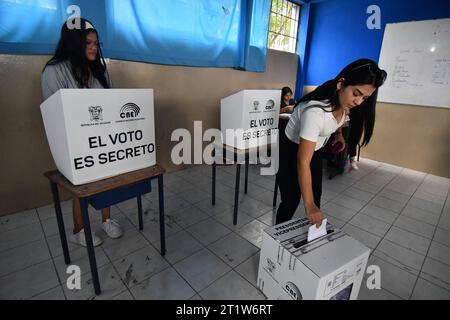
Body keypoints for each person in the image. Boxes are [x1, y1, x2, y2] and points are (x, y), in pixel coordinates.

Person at [275, 59, 387, 227]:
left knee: (316, 196)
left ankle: (311, 240)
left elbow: (337, 119)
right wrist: (309, 205)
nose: (358, 101)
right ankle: (275, 240)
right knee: (292, 201)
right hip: (292, 149)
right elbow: (302, 161)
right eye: (356, 93)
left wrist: (339, 135)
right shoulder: (315, 112)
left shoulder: (343, 103)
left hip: (315, 150)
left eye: (364, 97)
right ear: (341, 83)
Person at [41, 18, 123, 246]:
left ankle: (106, 220)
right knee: (83, 185)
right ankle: (79, 230)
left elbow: (112, 104)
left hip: (102, 137)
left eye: (96, 43)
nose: (93, 48)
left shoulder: (100, 71)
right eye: (87, 43)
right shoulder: (54, 71)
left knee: (107, 178)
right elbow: (54, 112)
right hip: (73, 141)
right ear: (72, 44)